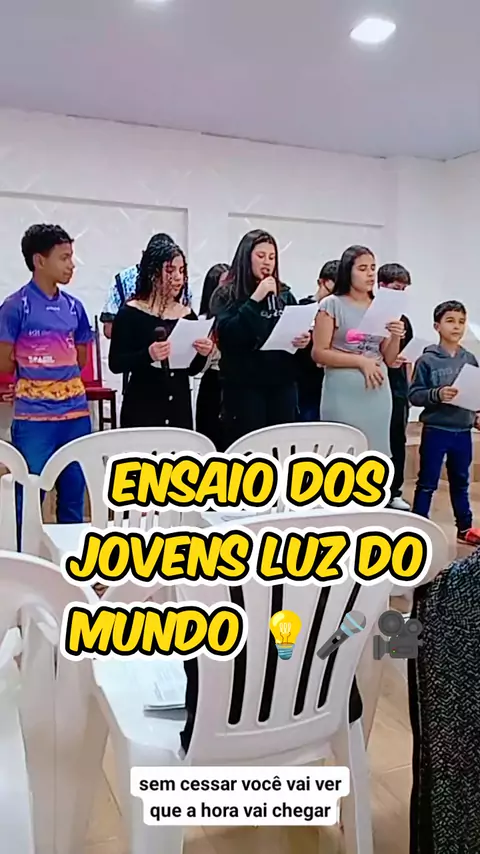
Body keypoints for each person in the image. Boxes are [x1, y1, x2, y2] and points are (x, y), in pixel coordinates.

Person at [0, 224, 93, 538]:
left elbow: (81, 358)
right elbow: (4, 360)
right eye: (64, 258)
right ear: (39, 261)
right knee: (28, 492)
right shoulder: (15, 307)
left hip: (75, 415)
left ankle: (73, 555)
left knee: (74, 492)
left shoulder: (75, 307)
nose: (71, 265)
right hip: (34, 418)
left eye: (71, 257)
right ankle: (20, 556)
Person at [211, 229, 311, 445]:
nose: (267, 262)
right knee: (249, 448)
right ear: (246, 257)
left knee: (281, 448)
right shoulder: (226, 294)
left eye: (272, 257)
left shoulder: (284, 294)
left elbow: (293, 329)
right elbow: (228, 336)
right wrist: (255, 299)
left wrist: (303, 341)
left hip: (282, 385)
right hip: (244, 387)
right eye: (261, 256)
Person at [108, 237, 213, 428]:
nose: (178, 278)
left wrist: (202, 353)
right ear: (153, 273)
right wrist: (148, 355)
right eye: (170, 271)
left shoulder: (187, 314)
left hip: (179, 407)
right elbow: (116, 363)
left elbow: (192, 369)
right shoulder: (130, 312)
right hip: (143, 407)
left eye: (182, 271)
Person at [312, 245, 405, 457]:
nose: (370, 274)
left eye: (372, 268)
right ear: (348, 272)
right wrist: (360, 361)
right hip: (343, 391)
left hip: (377, 391)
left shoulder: (381, 305)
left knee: (374, 456)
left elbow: (389, 358)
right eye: (363, 269)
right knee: (341, 455)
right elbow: (319, 352)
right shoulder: (331, 304)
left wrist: (396, 335)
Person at [409, 300, 480, 545]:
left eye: (461, 321)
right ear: (436, 326)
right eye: (450, 321)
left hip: (463, 430)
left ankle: (465, 527)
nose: (456, 326)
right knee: (427, 481)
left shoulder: (470, 359)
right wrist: (437, 394)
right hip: (436, 429)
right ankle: (418, 527)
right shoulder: (427, 360)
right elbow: (414, 395)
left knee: (461, 481)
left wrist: (477, 414)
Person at [378, 263, 414, 511]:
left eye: (403, 289)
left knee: (397, 439)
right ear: (381, 286)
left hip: (398, 386)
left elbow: (407, 354)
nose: (400, 293)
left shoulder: (403, 320)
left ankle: (394, 490)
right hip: (376, 382)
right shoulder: (370, 314)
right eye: (395, 288)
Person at [297, 260, 340, 421]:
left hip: (332, 379)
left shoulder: (339, 310)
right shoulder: (302, 308)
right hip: (306, 380)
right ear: (321, 282)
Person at [195, 263, 229, 449]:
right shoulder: (202, 321)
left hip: (234, 380)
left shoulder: (237, 317)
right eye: (223, 283)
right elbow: (197, 366)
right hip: (213, 380)